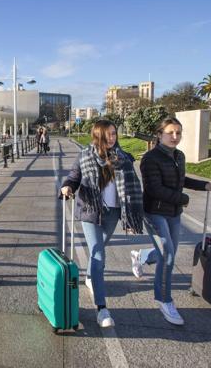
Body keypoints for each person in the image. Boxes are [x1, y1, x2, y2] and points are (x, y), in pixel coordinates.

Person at [129, 117, 211, 325]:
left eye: (178, 132)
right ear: (159, 135)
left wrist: (204, 185)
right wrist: (184, 199)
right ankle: (164, 300)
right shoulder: (151, 158)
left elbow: (181, 180)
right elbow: (154, 189)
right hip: (154, 212)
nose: (175, 136)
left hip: (174, 212)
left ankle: (141, 256)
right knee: (168, 256)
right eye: (170, 132)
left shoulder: (179, 155)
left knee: (168, 251)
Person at [60, 119, 143, 328]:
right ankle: (102, 309)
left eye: (114, 133)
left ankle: (90, 276)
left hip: (113, 212)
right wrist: (67, 187)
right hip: (90, 210)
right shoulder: (85, 156)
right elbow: (73, 177)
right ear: (98, 136)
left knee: (99, 249)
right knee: (98, 253)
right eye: (107, 134)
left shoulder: (123, 158)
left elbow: (132, 186)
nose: (112, 138)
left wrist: (132, 211)